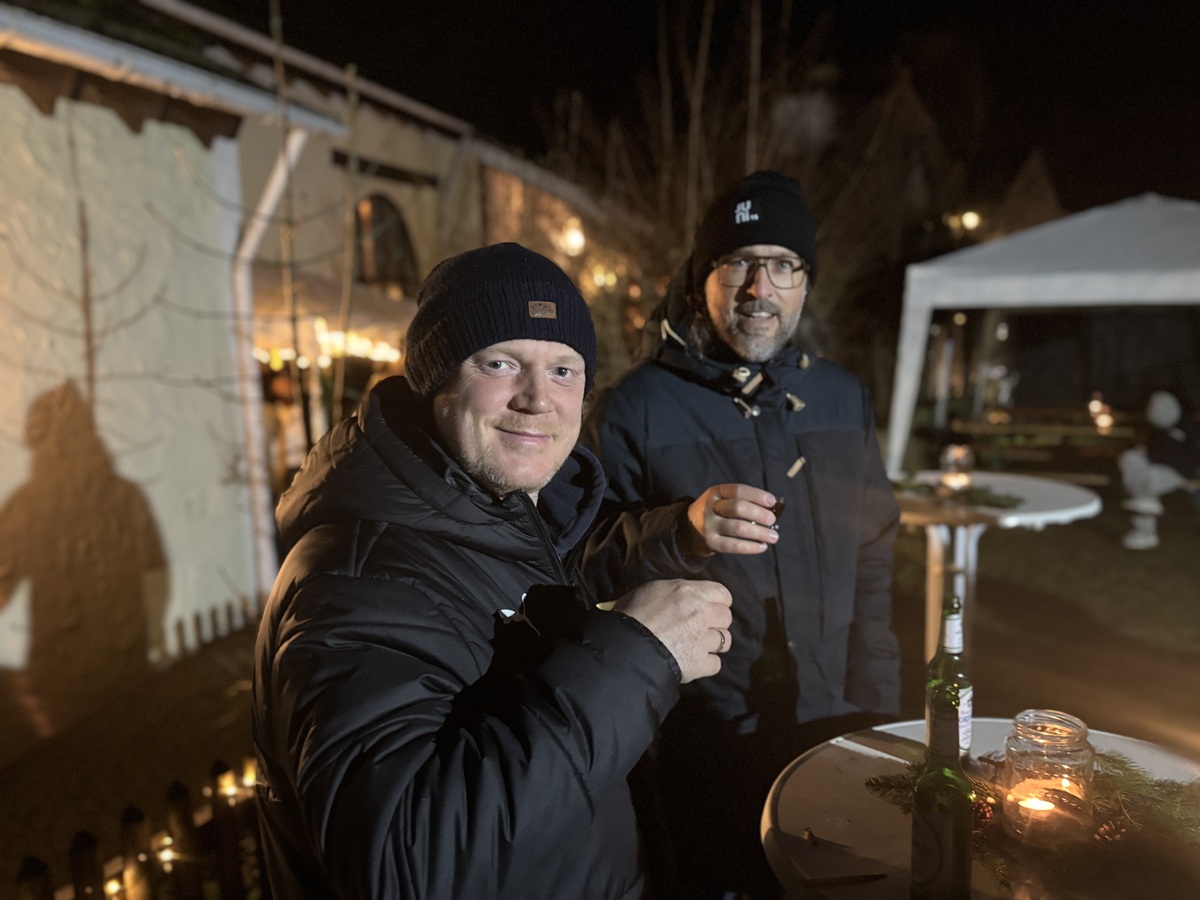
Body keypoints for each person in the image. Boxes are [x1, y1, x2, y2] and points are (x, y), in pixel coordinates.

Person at [252, 242, 734, 900]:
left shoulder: (495, 515)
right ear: (435, 380)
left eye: (563, 370)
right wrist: (637, 655)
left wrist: (679, 537)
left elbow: (523, 596)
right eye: (501, 363)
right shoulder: (356, 580)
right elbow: (406, 868)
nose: (538, 399)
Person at [581, 171, 901, 898]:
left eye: (784, 264)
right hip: (701, 736)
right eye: (738, 263)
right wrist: (680, 531)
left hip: (841, 717)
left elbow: (874, 558)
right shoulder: (634, 409)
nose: (760, 288)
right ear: (702, 279)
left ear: (806, 283)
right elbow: (582, 562)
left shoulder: (841, 398)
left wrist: (878, 701)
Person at [1119, 390, 1200, 550]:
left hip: (1178, 473)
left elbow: (1187, 458)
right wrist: (1143, 452)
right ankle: (1146, 513)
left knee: (1145, 486)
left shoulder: (1188, 427)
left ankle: (1145, 532)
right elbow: (1154, 451)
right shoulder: (1156, 430)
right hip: (1157, 471)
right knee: (1130, 459)